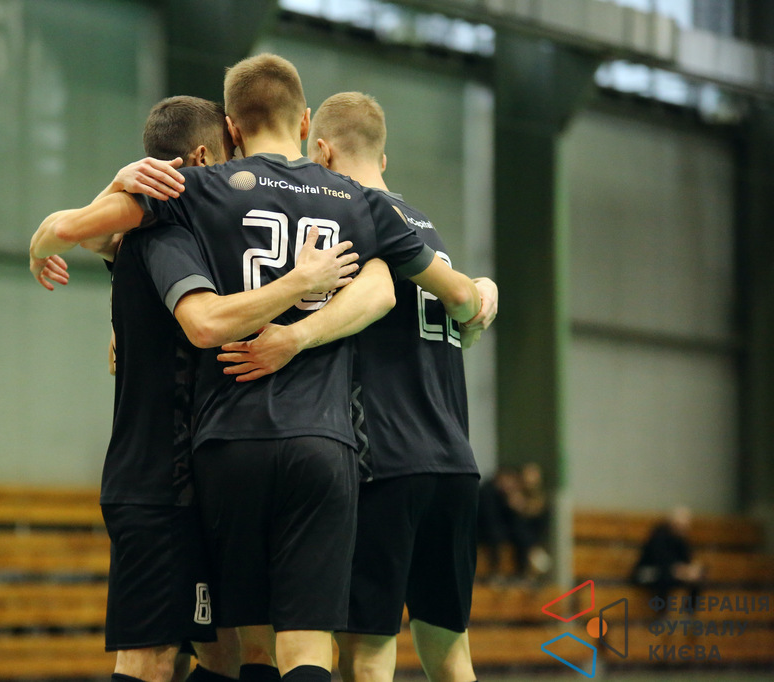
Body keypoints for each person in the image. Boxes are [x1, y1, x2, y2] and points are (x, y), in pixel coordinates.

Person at [31, 53, 487, 682]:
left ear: (233, 127)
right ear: (304, 123)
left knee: (240, 648)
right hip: (327, 447)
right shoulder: (358, 202)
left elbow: (87, 230)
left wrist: (51, 235)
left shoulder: (200, 192)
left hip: (224, 447)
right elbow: (433, 293)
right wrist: (482, 295)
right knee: (309, 649)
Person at [30, 95, 360, 682]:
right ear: (204, 158)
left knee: (224, 653)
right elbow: (74, 234)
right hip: (158, 482)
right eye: (233, 155)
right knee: (153, 659)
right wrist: (299, 284)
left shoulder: (184, 236)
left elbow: (78, 233)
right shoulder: (165, 233)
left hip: (199, 477)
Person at [216, 92, 496, 682]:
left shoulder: (356, 215)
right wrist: (483, 292)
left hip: (384, 463)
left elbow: (381, 295)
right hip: (455, 465)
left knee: (367, 655)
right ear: (383, 157)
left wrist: (294, 336)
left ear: (321, 151)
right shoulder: (427, 228)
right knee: (452, 656)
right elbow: (467, 302)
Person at [631, 506, 705, 610]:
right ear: (672, 523)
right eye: (680, 525)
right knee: (665, 576)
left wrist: (691, 569)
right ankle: (661, 612)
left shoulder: (681, 539)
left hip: (670, 572)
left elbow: (686, 560)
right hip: (645, 572)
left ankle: (689, 612)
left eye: (685, 526)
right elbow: (662, 562)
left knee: (697, 576)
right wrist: (681, 570)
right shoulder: (659, 536)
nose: (683, 528)